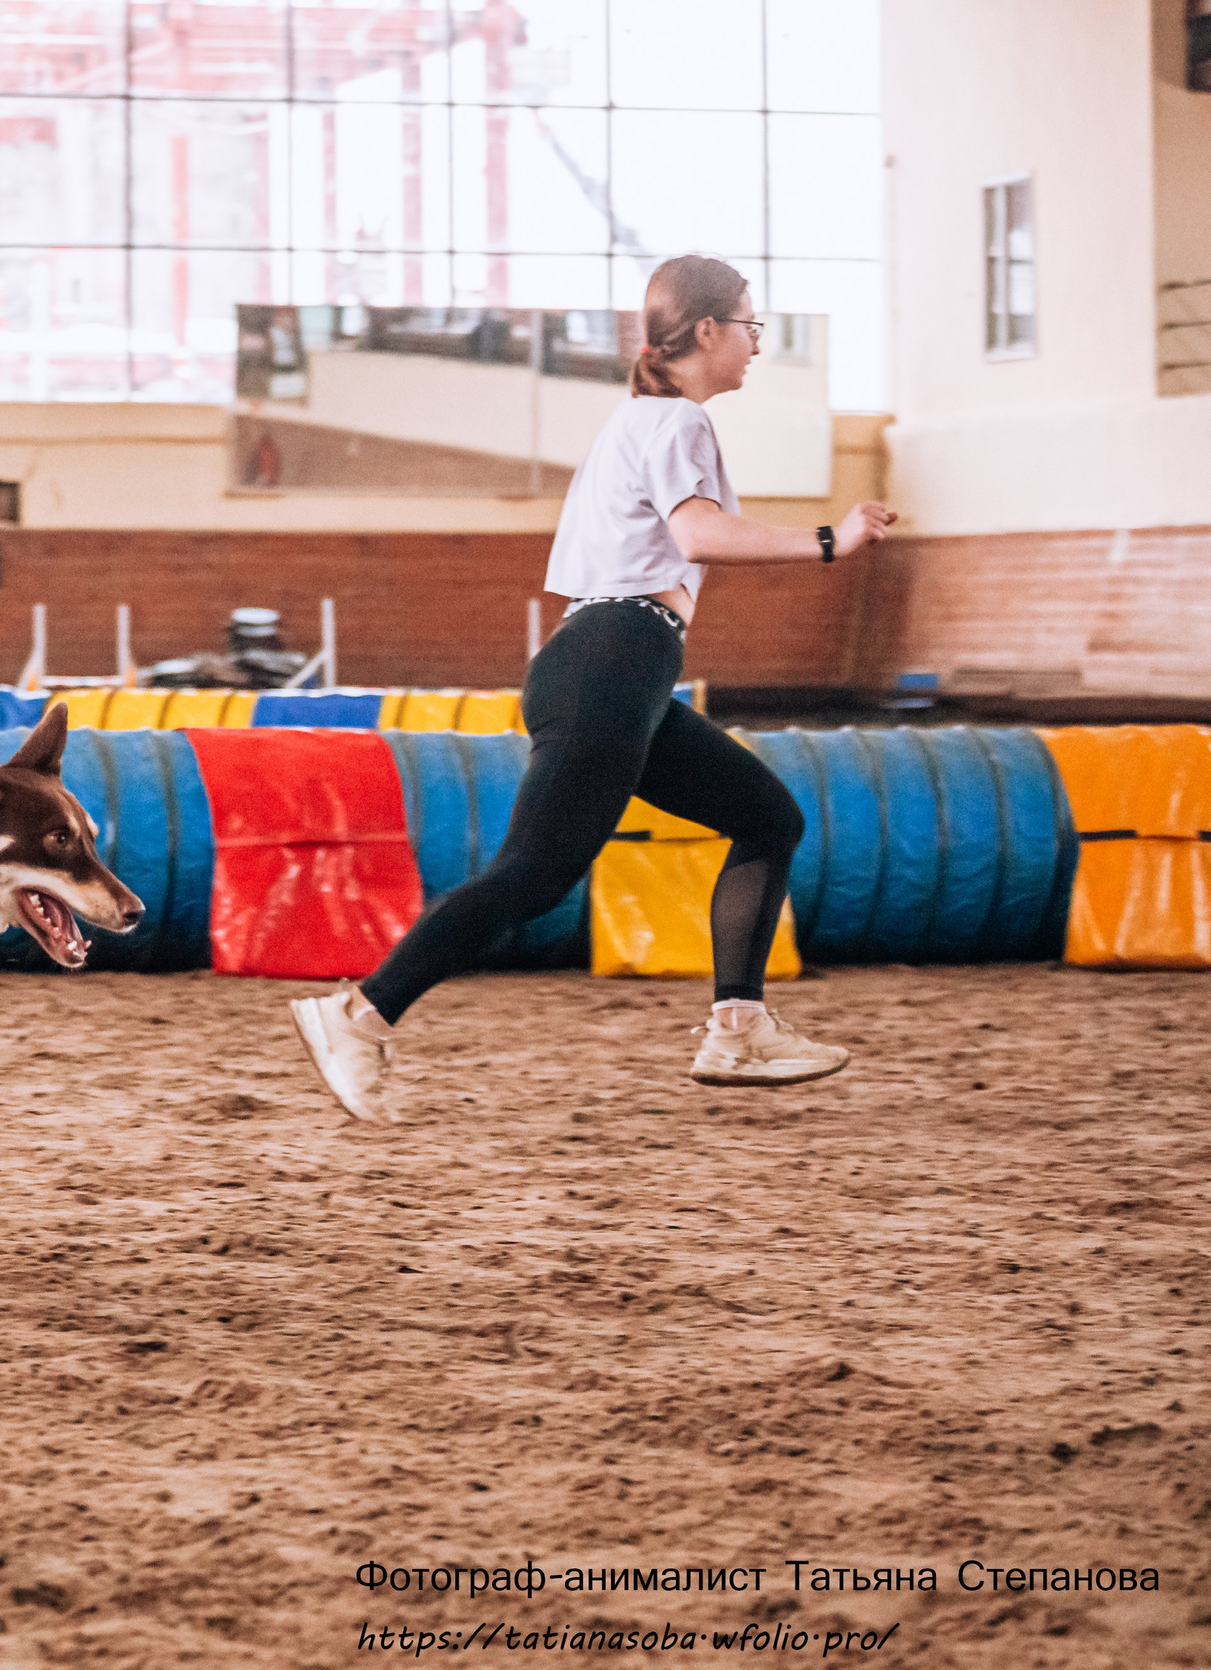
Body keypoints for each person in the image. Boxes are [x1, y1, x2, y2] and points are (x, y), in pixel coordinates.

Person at [291, 255, 897, 1120]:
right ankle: (357, 1015)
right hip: (613, 661)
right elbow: (699, 536)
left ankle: (739, 1026)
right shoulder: (674, 422)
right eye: (752, 328)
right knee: (534, 874)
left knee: (767, 818)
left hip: (616, 665)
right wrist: (831, 541)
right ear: (707, 332)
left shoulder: (641, 422)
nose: (758, 345)